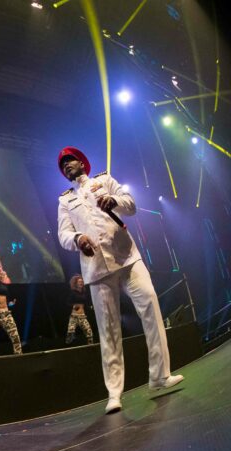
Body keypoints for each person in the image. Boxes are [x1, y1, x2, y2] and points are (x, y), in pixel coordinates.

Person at [56, 146, 183, 414]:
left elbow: (132, 205)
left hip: (127, 257)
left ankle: (160, 376)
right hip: (96, 268)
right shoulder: (65, 200)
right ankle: (114, 393)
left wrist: (114, 201)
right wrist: (78, 239)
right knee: (109, 330)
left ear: (82, 163)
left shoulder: (104, 180)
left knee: (150, 306)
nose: (66, 165)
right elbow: (63, 235)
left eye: (70, 160)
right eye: (62, 164)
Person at [65, 274, 94, 345]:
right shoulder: (73, 293)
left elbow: (86, 304)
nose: (81, 283)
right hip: (74, 316)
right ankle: (69, 342)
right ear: (76, 283)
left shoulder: (84, 293)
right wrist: (74, 306)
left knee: (89, 332)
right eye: (79, 282)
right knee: (70, 333)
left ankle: (90, 345)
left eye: (82, 282)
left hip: (82, 316)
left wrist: (90, 307)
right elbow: (67, 303)